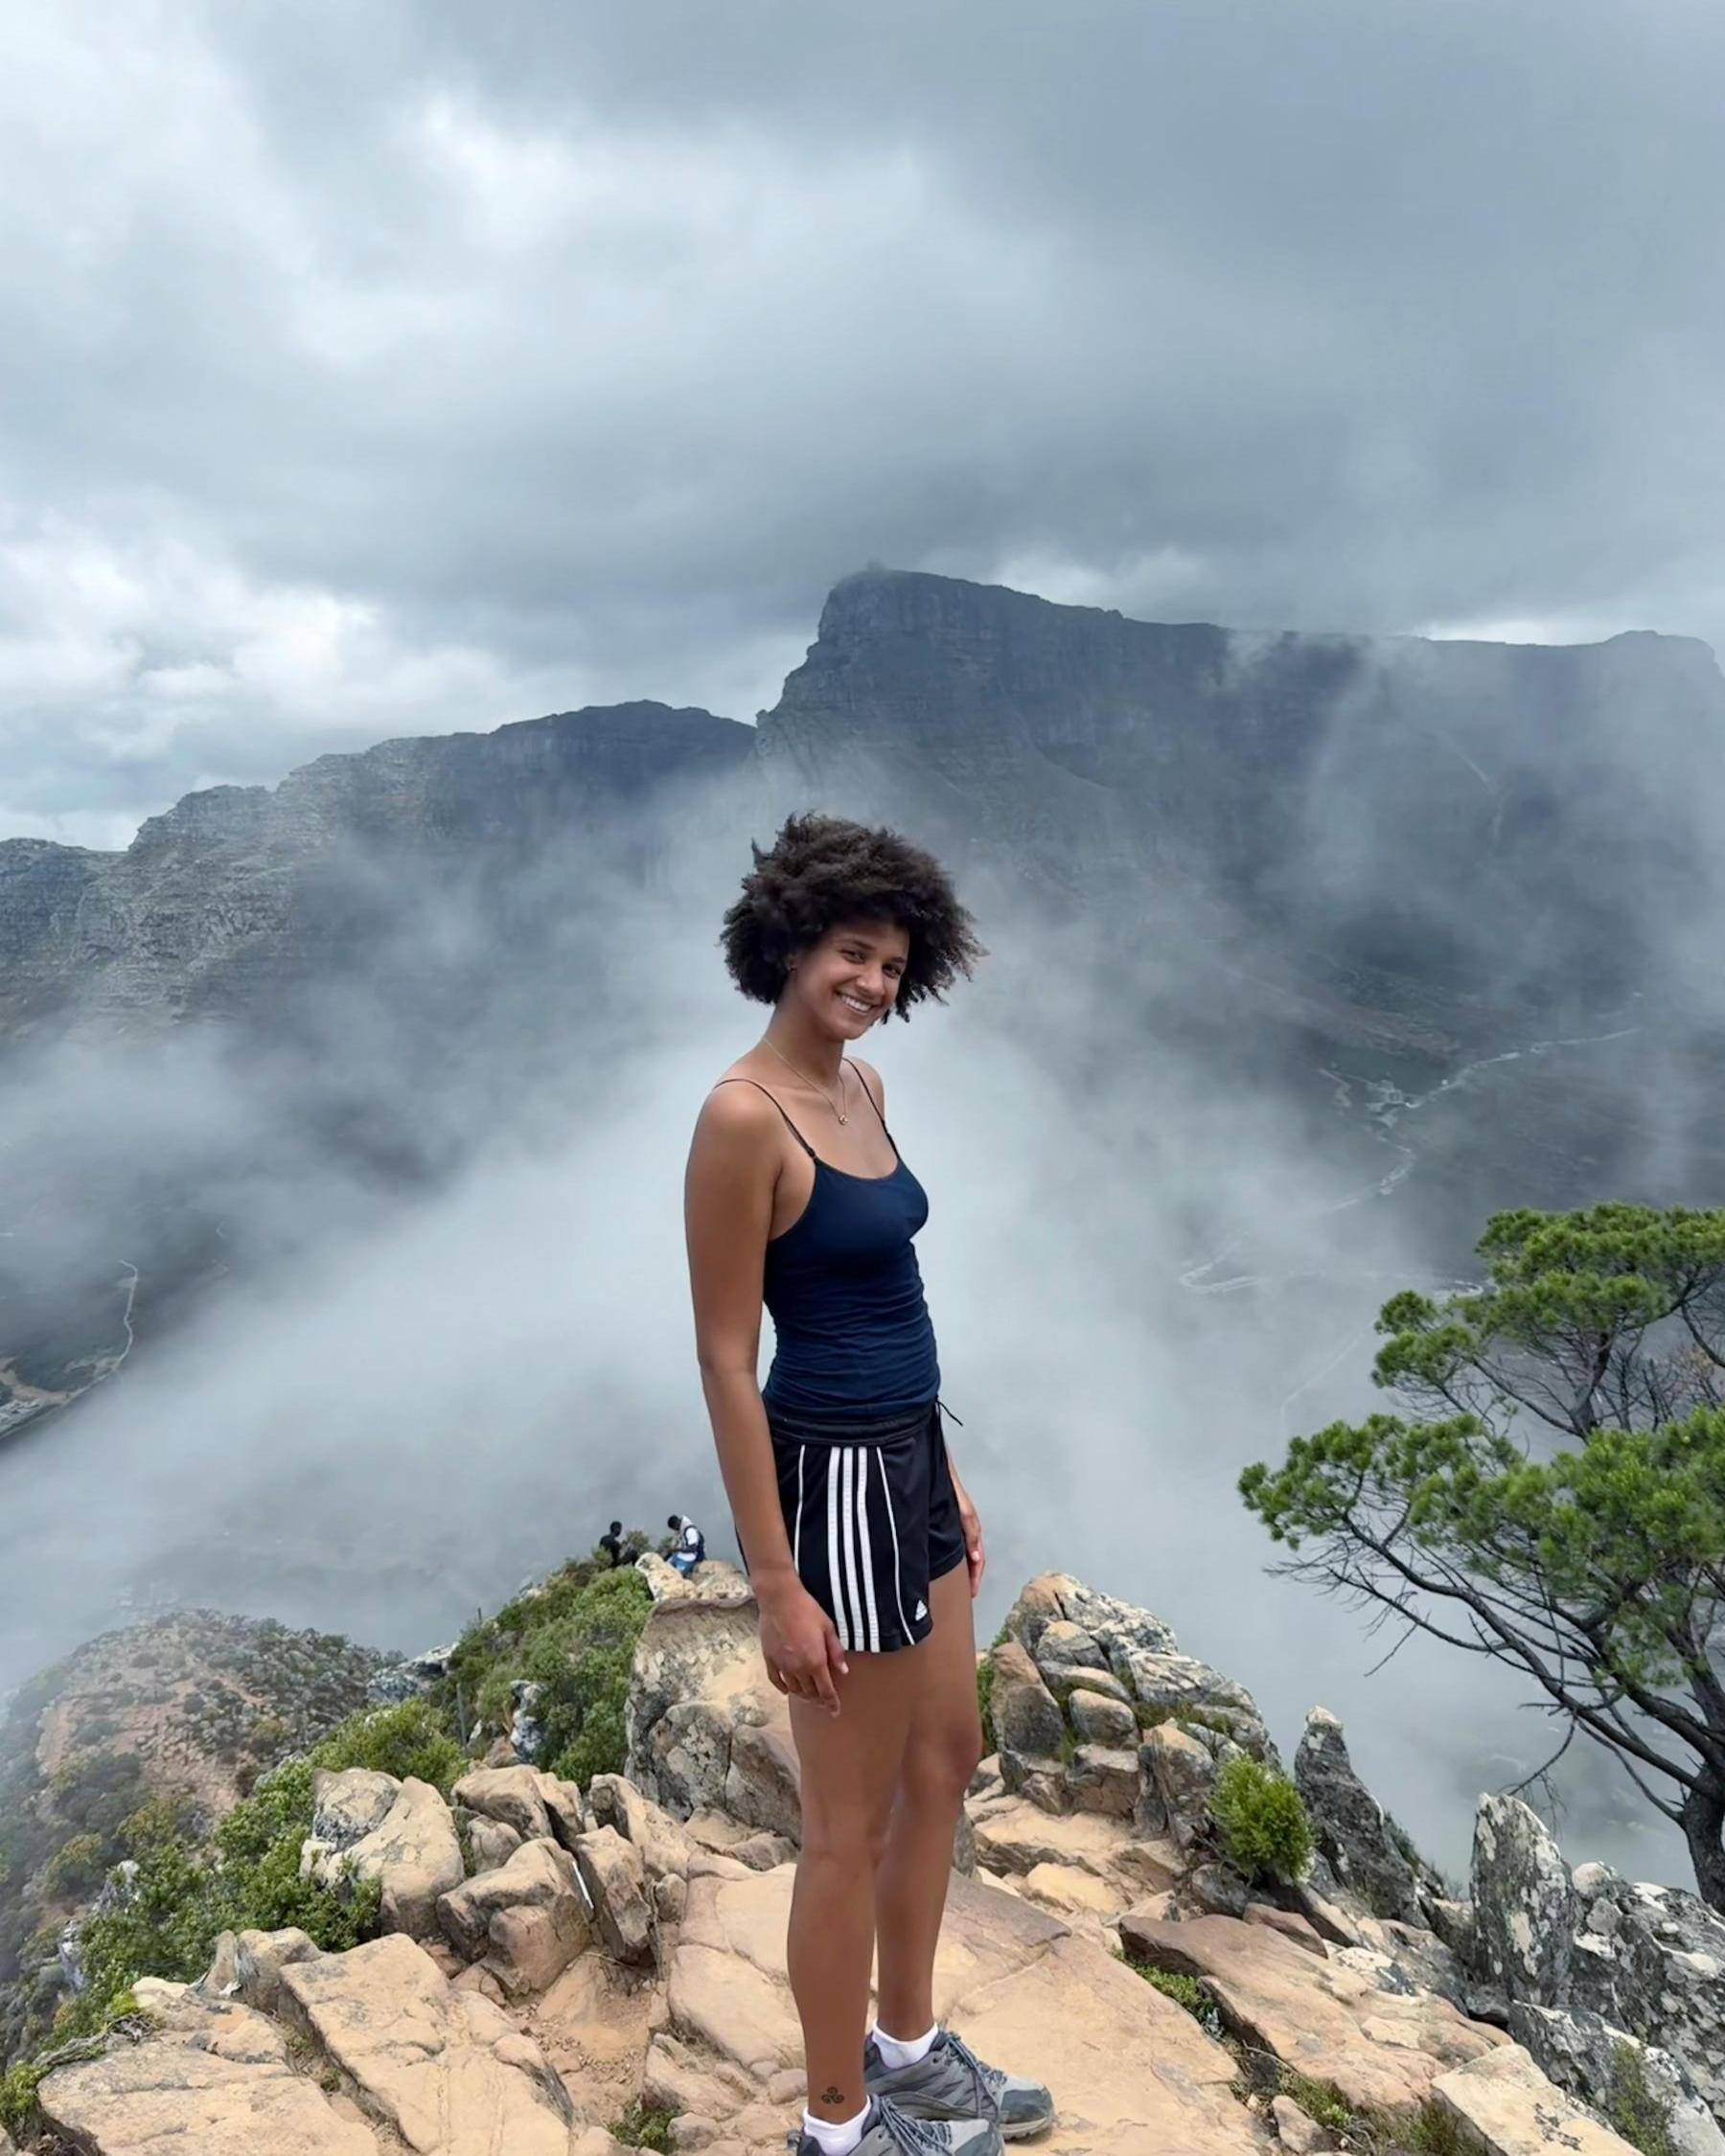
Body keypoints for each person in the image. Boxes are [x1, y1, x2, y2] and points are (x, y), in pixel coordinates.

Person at [683, 814, 1052, 2156]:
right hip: (833, 1478)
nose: (874, 982)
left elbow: (896, 1293)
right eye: (853, 953)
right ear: (790, 944)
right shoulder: (744, 1117)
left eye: (894, 964)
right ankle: (835, 2123)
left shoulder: (864, 1088)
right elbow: (727, 1361)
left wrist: (946, 1472)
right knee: (845, 1823)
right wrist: (775, 1581)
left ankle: (905, 2049)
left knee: (945, 1757)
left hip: (910, 1459)